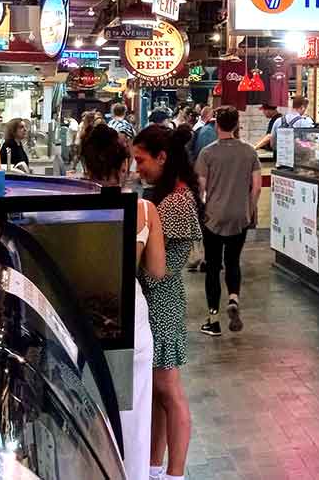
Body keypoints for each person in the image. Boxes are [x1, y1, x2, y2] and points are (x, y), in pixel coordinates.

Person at [84, 124, 165, 480]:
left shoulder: (69, 206)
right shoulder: (145, 209)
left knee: (89, 412)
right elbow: (157, 270)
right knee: (133, 419)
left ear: (84, 166)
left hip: (83, 318)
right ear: (124, 167)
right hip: (130, 316)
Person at [131, 124, 201, 480]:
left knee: (169, 391)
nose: (136, 168)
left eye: (141, 160)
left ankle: (175, 473)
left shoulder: (175, 201)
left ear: (162, 157)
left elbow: (157, 266)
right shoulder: (170, 194)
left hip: (162, 301)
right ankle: (154, 465)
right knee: (158, 390)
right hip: (161, 299)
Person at [194, 108, 261, 336]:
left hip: (214, 216)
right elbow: (257, 186)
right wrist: (249, 210)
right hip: (239, 216)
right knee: (233, 261)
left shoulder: (207, 153)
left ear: (216, 125)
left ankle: (213, 319)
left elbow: (201, 187)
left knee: (212, 266)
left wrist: (202, 208)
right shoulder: (249, 152)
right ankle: (233, 297)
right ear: (236, 125)